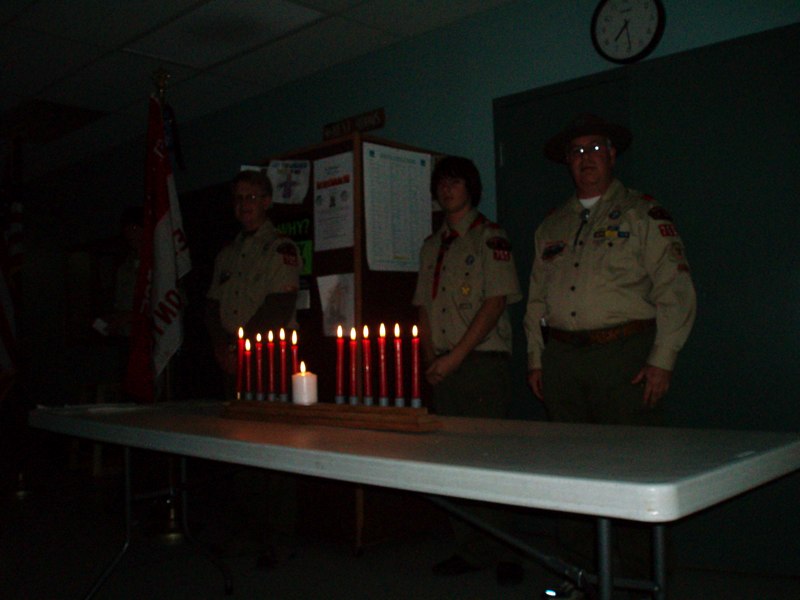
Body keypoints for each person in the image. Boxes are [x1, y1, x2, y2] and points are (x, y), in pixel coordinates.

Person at [524, 114, 696, 598]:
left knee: (635, 473)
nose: (586, 159)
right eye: (576, 152)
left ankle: (644, 581)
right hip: (563, 361)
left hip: (625, 360)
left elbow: (675, 288)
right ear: (567, 162)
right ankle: (577, 576)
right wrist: (536, 358)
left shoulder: (643, 213)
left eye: (595, 149)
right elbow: (536, 300)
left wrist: (662, 359)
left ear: (612, 155)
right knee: (571, 474)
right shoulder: (552, 225)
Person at [412, 155, 523, 583]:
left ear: (471, 188)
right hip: (442, 365)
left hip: (479, 364)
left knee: (491, 460)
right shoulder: (431, 245)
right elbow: (423, 307)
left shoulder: (489, 237)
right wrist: (430, 360)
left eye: (455, 182)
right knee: (454, 461)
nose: (447, 189)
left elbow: (494, 303)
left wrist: (454, 358)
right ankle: (471, 549)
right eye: (441, 183)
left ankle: (508, 550)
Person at [205, 170, 301, 383]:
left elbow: (279, 306)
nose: (244, 203)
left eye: (251, 197)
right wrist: (222, 348)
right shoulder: (227, 254)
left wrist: (239, 346)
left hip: (268, 353)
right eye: (238, 198)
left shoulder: (280, 247)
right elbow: (212, 306)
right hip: (229, 356)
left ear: (266, 202)